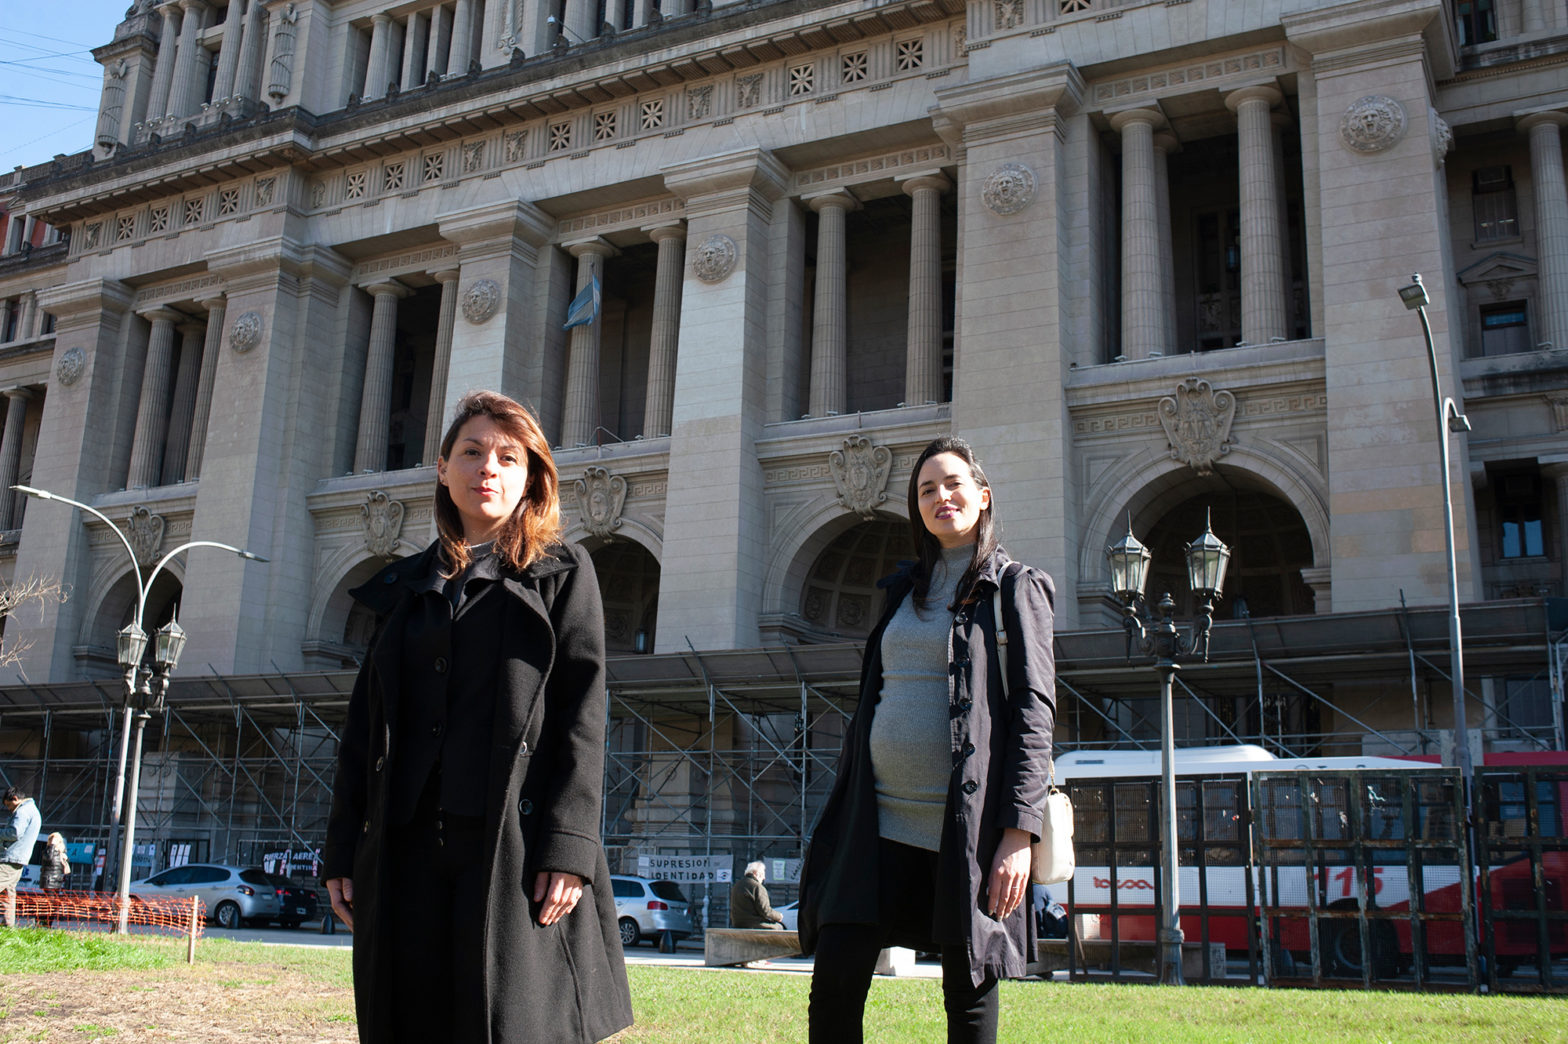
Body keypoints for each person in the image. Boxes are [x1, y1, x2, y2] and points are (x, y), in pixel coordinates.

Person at [322, 391, 633, 1044]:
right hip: (405, 852)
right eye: (471, 452)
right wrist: (341, 849)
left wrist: (570, 848)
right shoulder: (402, 588)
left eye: (507, 456)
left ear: (530, 478)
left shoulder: (562, 574)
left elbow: (583, 715)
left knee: (508, 1024)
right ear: (442, 469)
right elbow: (363, 732)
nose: (486, 467)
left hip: (511, 853)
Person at [799, 436, 1056, 1044]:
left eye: (954, 483)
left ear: (983, 495)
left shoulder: (1016, 586)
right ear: (916, 507)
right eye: (926, 489)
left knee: (967, 1001)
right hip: (875, 824)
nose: (942, 496)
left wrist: (1019, 833)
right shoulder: (901, 591)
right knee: (832, 989)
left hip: (964, 832)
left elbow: (1034, 716)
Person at [0, 786, 42, 928]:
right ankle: (8, 926)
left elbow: (14, 833)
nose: (9, 809)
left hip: (11, 858)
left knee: (7, 892)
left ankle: (8, 926)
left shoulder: (23, 811)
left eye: (8, 805)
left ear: (15, 799)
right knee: (8, 894)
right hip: (19, 858)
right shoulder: (33, 811)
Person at [730, 860, 784, 930]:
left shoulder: (737, 885)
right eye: (762, 874)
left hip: (737, 924)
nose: (764, 878)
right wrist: (778, 916)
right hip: (753, 924)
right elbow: (765, 911)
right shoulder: (757, 887)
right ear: (755, 873)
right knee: (779, 927)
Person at [38, 833, 70, 928]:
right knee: (49, 903)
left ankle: (47, 923)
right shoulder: (48, 852)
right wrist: (52, 846)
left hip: (58, 882)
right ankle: (44, 923)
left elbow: (65, 869)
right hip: (49, 881)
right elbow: (49, 858)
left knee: (53, 904)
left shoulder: (62, 853)